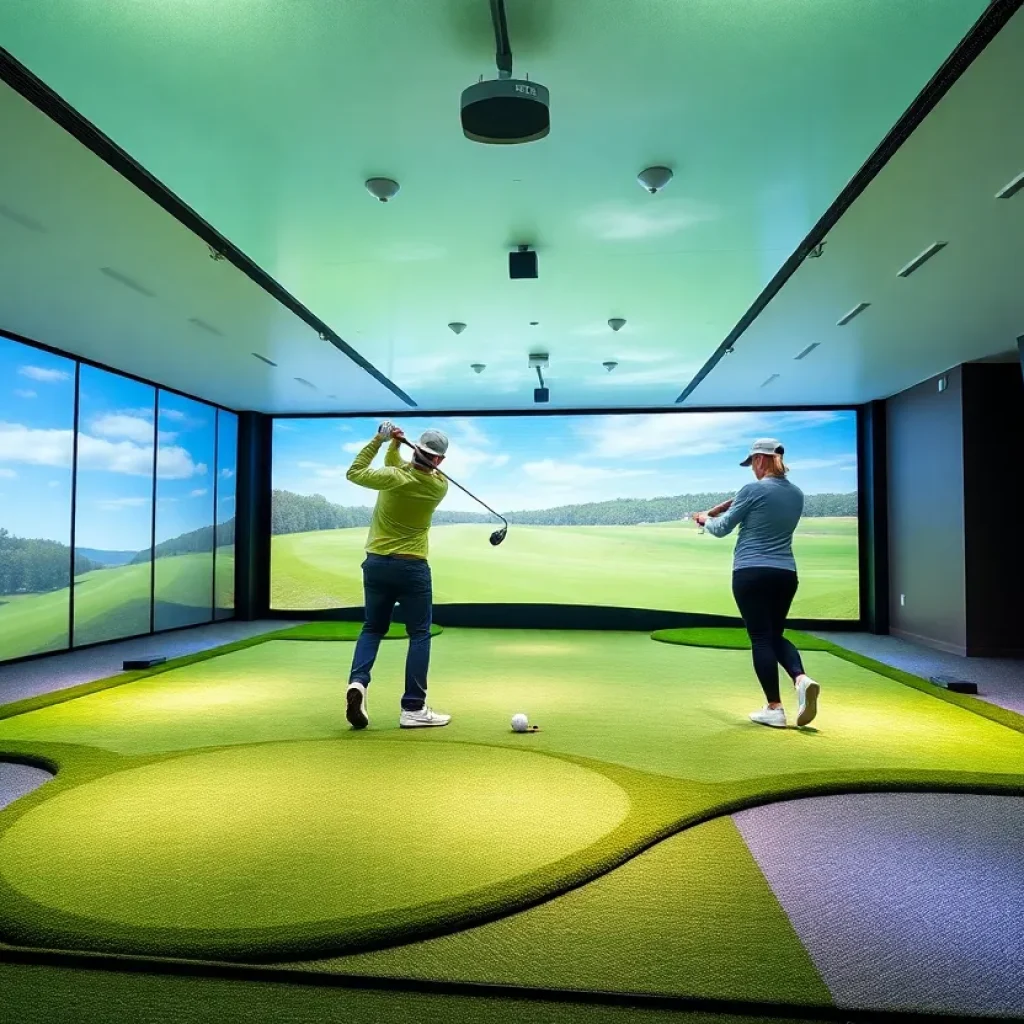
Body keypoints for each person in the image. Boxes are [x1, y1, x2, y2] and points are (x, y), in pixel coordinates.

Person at [695, 438, 820, 729]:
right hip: (786, 574)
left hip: (751, 572)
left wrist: (704, 519)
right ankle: (801, 679)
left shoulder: (752, 489)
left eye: (752, 462)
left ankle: (774, 708)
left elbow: (722, 528)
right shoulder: (797, 494)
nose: (751, 468)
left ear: (760, 460)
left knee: (761, 638)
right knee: (775, 634)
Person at [344, 421, 452, 730]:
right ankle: (413, 708)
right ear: (439, 460)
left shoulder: (393, 478)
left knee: (372, 629)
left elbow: (355, 472)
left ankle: (358, 683)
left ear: (416, 450)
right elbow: (411, 469)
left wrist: (381, 440)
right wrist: (397, 447)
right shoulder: (438, 486)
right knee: (419, 633)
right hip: (412, 568)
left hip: (376, 565)